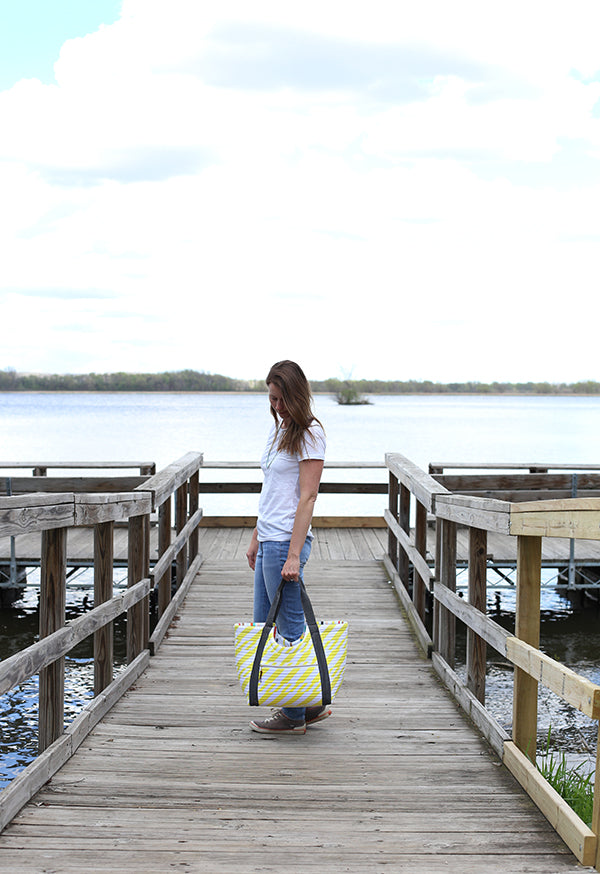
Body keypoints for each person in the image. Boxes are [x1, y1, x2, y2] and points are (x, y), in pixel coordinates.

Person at [245, 360, 328, 735]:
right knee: (266, 626)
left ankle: (292, 717)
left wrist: (294, 554)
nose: (275, 406)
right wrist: (255, 537)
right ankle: (306, 703)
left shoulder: (311, 434)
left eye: (280, 399)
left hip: (285, 544)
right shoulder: (279, 433)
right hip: (269, 539)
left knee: (289, 629)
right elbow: (271, 493)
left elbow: (307, 497)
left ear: (295, 396)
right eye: (271, 399)